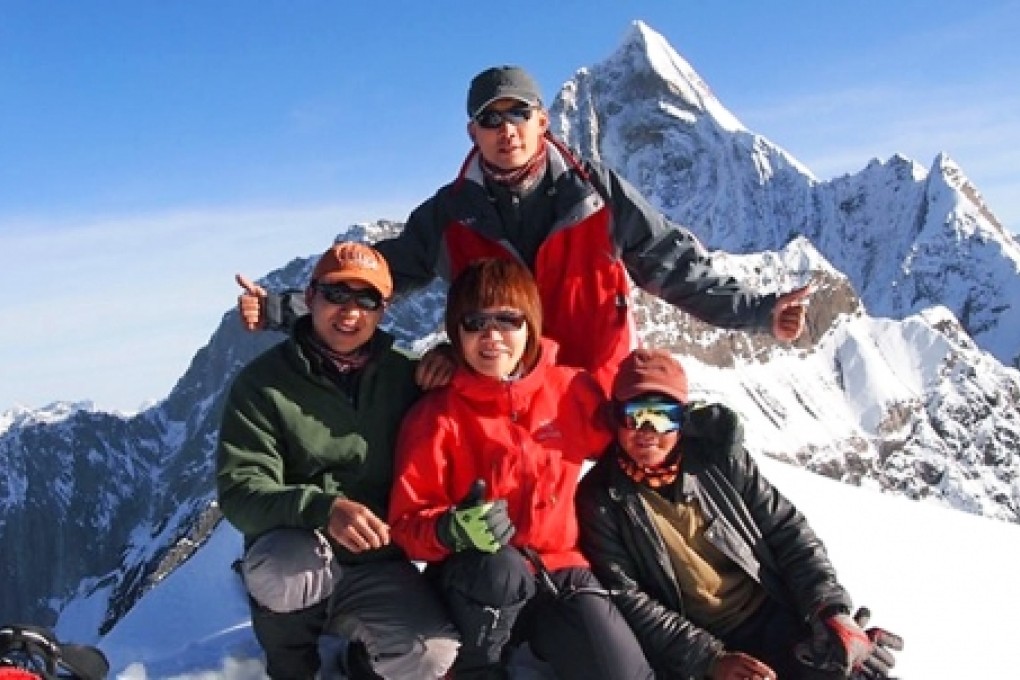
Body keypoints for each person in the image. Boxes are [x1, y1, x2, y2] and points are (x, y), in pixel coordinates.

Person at [235, 64, 811, 392]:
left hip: (590, 398)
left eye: (517, 114)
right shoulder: (451, 212)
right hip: (497, 399)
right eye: (490, 119)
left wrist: (761, 312)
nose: (505, 129)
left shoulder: (599, 194)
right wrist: (284, 310)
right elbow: (376, 279)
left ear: (542, 121)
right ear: (473, 134)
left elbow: (675, 267)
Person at [387, 258, 654, 680]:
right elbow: (405, 525)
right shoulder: (436, 417)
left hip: (559, 571)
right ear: (456, 332)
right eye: (475, 322)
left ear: (530, 324)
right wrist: (449, 529)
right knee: (501, 568)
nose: (491, 336)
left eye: (507, 320)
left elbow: (626, 445)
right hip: (475, 583)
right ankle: (477, 668)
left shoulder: (570, 390)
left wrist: (687, 431)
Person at [575, 348, 904, 680]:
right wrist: (711, 660)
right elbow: (629, 598)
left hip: (778, 613)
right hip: (703, 643)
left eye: (662, 416)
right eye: (634, 415)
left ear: (682, 420)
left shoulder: (720, 460)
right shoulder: (601, 499)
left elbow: (787, 532)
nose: (647, 430)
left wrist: (829, 610)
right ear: (615, 417)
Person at [216, 242, 459, 680]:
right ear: (309, 298)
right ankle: (294, 666)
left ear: (383, 310)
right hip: (299, 554)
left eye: (367, 299)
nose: (351, 311)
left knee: (431, 656)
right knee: (287, 568)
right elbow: (240, 493)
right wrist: (323, 510)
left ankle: (360, 661)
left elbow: (484, 396)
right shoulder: (262, 385)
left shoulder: (406, 375)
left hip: (378, 563)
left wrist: (452, 358)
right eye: (336, 294)